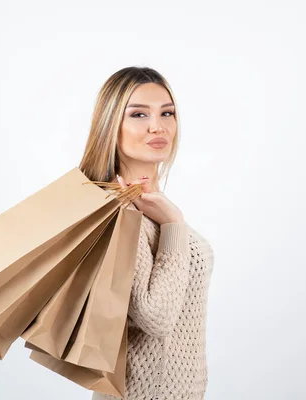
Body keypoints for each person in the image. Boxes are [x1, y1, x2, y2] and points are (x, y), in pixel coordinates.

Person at [79, 66, 215, 400]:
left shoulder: (152, 206)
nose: (158, 126)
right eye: (139, 114)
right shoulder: (118, 211)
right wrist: (173, 226)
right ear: (112, 125)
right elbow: (155, 318)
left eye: (167, 113)